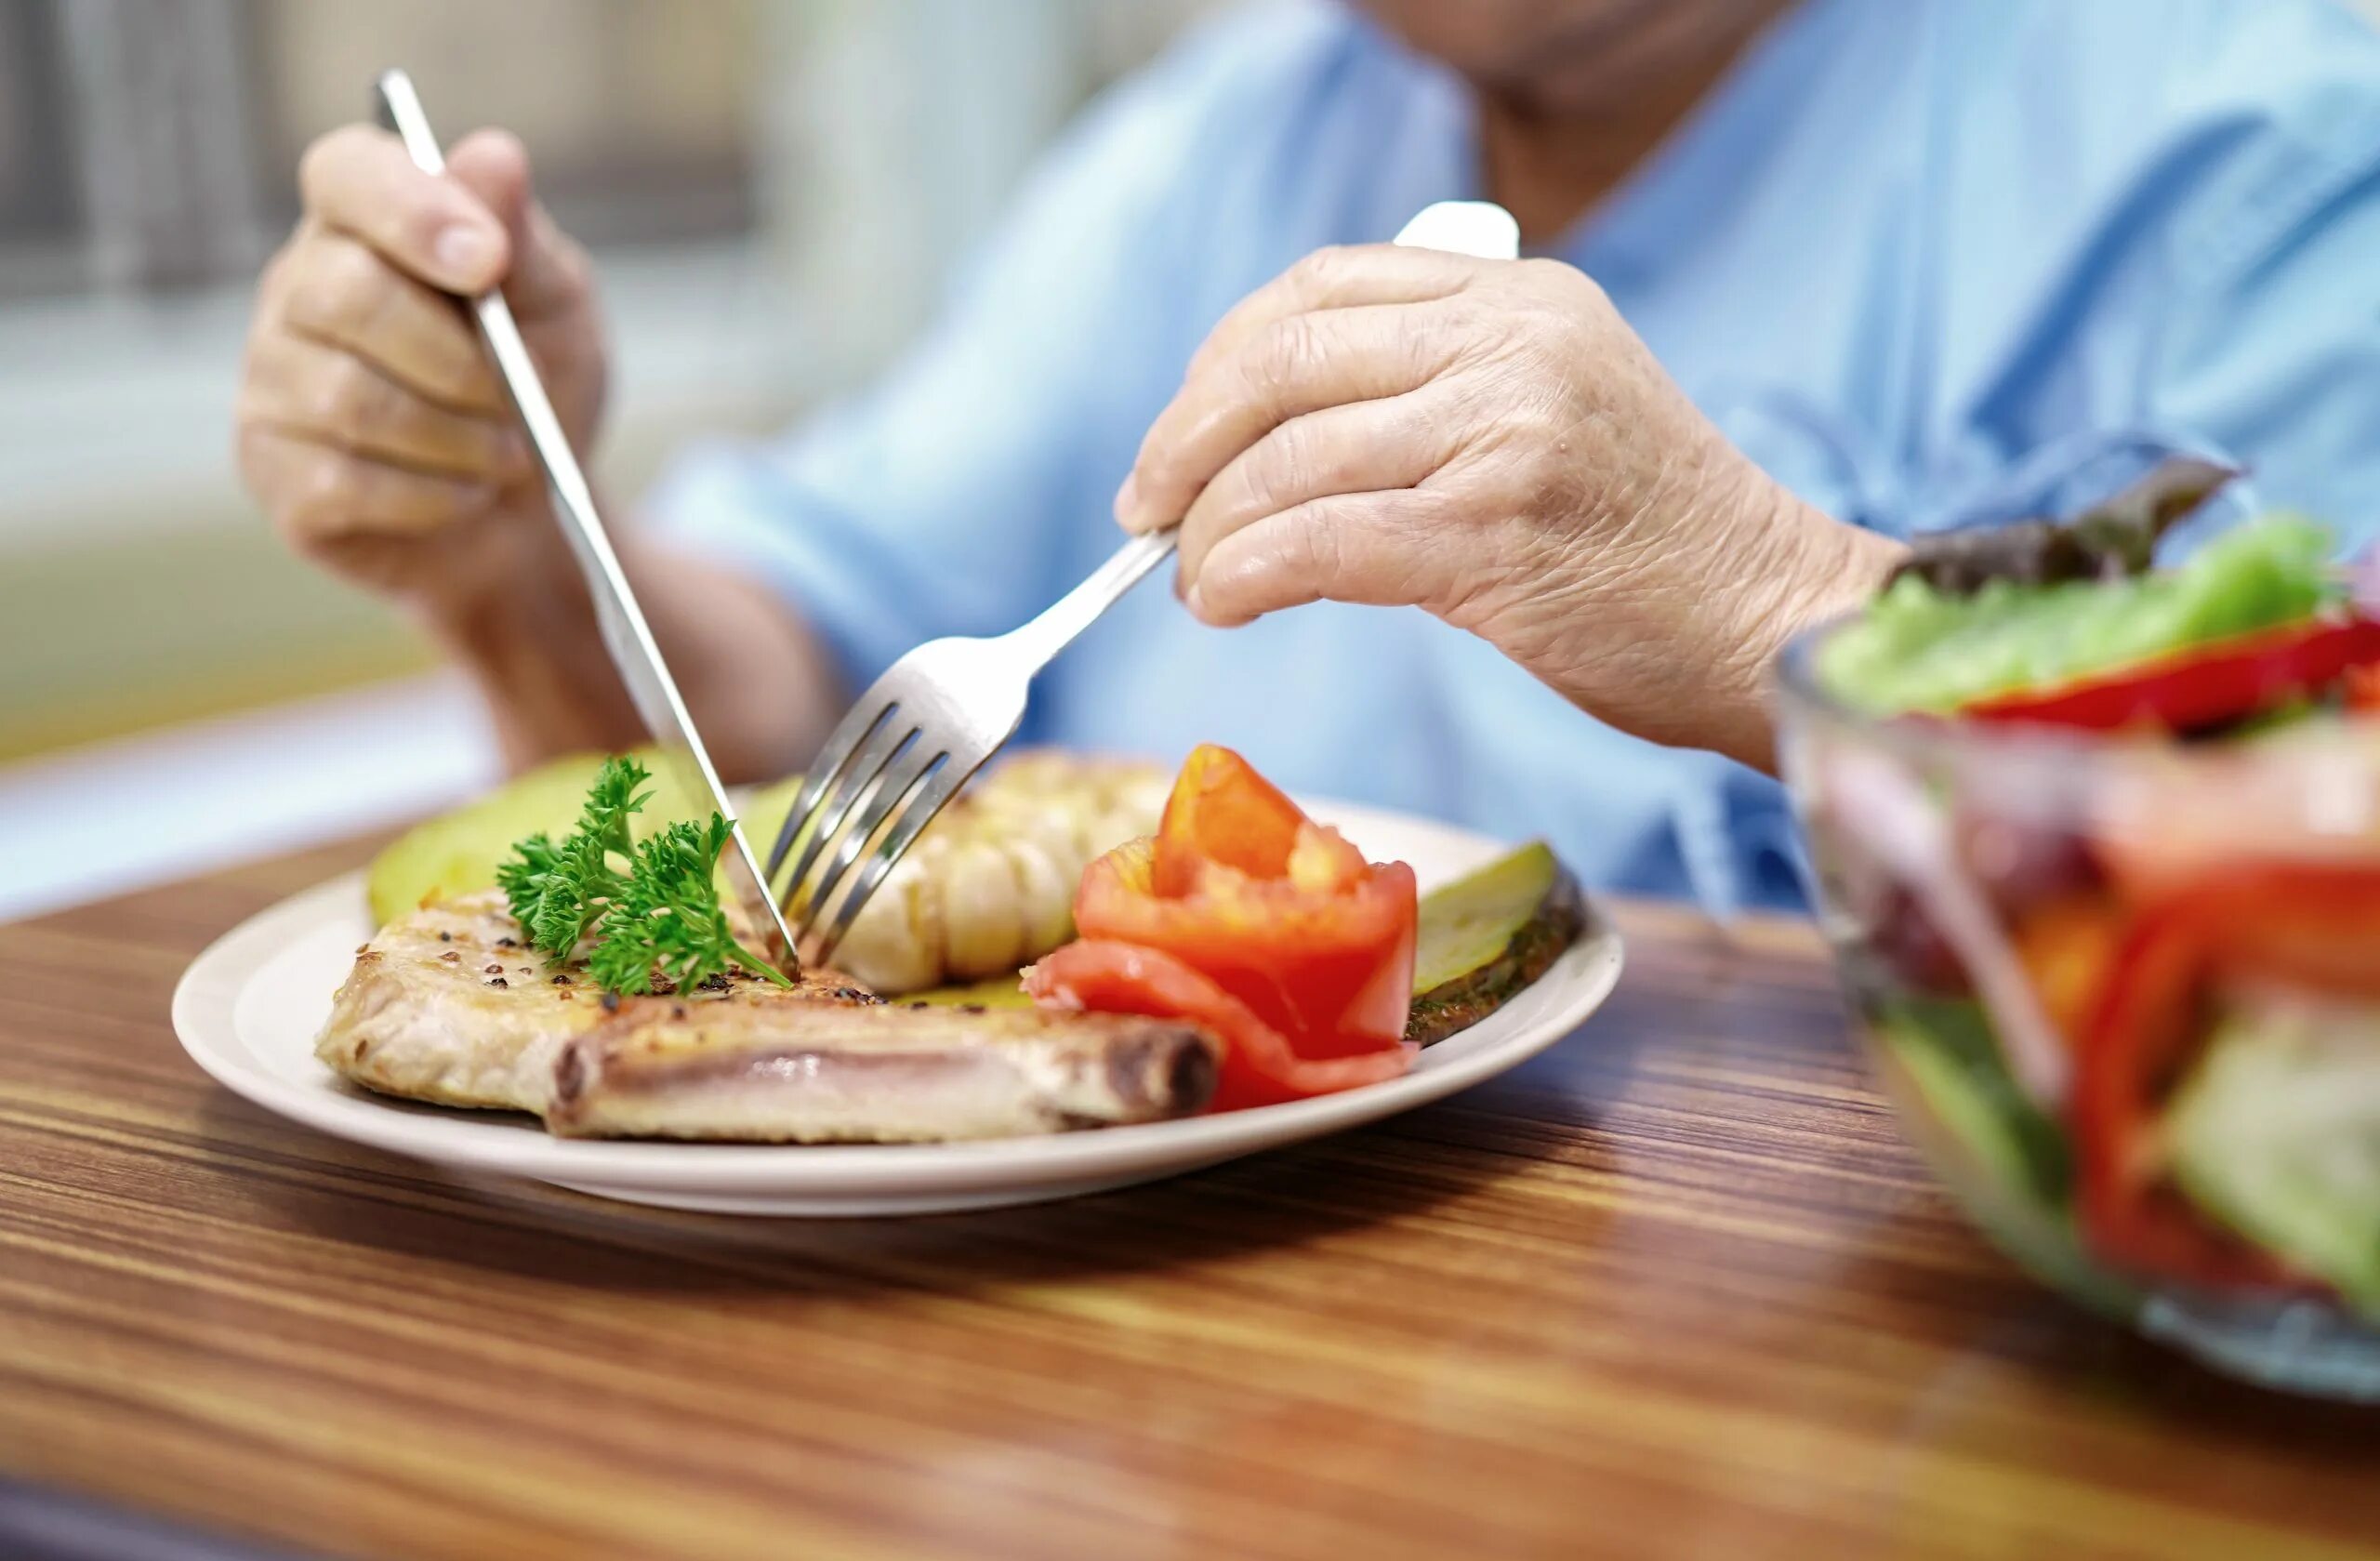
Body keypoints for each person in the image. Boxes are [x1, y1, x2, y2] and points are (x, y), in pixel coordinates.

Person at [234, 0, 2380, 918]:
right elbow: (788, 688)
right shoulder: (1220, 142)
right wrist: (518, 546)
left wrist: (1773, 602)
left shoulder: (2249, 120)